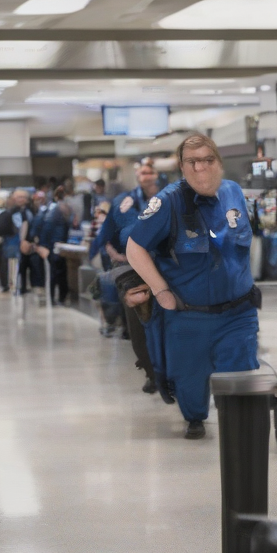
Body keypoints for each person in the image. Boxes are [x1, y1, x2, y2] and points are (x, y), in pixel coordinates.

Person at [126, 135, 260, 440]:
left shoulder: (234, 193)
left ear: (219, 163)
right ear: (182, 167)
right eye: (192, 161)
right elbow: (135, 247)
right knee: (189, 386)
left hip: (238, 313)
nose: (201, 168)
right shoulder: (167, 202)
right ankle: (195, 418)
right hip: (189, 316)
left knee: (240, 382)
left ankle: (238, 431)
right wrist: (161, 291)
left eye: (208, 160)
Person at [92, 160, 162, 391]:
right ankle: (152, 374)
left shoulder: (169, 197)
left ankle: (169, 373)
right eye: (143, 172)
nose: (147, 176)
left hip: (166, 270)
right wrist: (115, 256)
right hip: (134, 273)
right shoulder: (124, 201)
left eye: (150, 172)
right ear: (137, 175)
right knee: (139, 325)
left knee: (168, 324)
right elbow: (107, 234)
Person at [35, 188, 72, 305]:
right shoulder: (55, 213)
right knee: (55, 273)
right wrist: (44, 245)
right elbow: (47, 229)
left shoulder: (54, 212)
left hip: (56, 246)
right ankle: (54, 298)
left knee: (57, 273)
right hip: (54, 247)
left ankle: (58, 297)